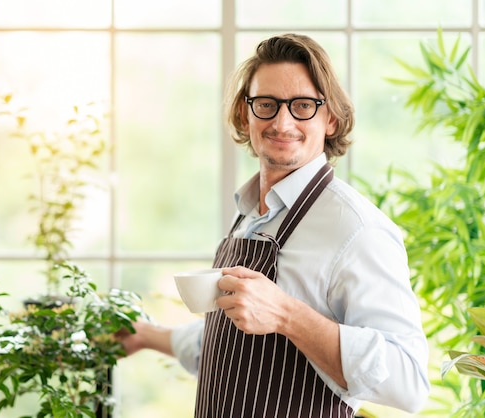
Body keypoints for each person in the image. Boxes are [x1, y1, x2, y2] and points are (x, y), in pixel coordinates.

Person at [118, 33, 430, 417]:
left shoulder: (358, 230)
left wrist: (287, 315)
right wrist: (148, 336)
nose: (283, 122)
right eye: (266, 104)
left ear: (330, 119)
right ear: (244, 114)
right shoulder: (250, 214)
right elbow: (235, 353)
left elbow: (410, 382)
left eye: (303, 106)